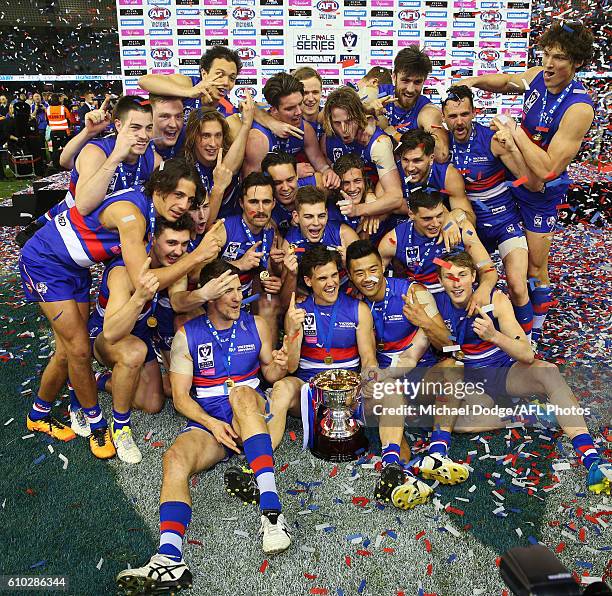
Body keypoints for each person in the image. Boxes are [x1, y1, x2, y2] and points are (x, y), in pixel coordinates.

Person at [19, 158, 222, 458]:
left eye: (189, 199)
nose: (183, 203)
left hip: (73, 267)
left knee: (69, 353)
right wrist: (194, 258)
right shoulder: (135, 218)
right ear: (162, 187)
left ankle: (39, 414)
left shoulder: (151, 219)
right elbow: (143, 283)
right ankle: (101, 425)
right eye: (179, 194)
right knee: (79, 350)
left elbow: (173, 282)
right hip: (47, 264)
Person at [116, 259, 292, 594]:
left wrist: (281, 363)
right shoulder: (187, 335)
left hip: (250, 408)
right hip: (209, 416)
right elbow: (181, 398)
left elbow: (270, 375)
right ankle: (169, 558)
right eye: (227, 290)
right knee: (174, 459)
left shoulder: (257, 324)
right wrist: (211, 423)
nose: (237, 297)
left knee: (241, 393)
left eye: (239, 288)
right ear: (210, 295)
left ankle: (272, 513)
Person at [426, 251, 611, 496]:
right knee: (454, 420)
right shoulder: (435, 304)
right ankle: (529, 415)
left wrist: (494, 335)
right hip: (469, 383)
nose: (456, 282)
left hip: (503, 372)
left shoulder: (496, 299)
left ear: (473, 277)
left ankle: (591, 458)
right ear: (441, 281)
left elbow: (526, 354)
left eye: (462, 275)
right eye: (449, 277)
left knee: (548, 371)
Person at [461, 21, 595, 342]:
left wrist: (514, 129)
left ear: (576, 63)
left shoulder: (578, 108)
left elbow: (548, 168)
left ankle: (533, 335)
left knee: (535, 267)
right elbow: (507, 82)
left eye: (559, 58)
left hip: (541, 193)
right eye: (547, 54)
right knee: (482, 250)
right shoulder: (537, 76)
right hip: (513, 178)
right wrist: (474, 80)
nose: (549, 63)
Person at [346, 240, 453, 507]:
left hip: (419, 376)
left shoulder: (412, 292)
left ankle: (437, 453)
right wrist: (371, 379)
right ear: (349, 275)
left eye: (373, 269)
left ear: (382, 266)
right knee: (390, 408)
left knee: (453, 368)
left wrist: (425, 321)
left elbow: (449, 344)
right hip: (387, 382)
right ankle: (400, 475)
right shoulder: (353, 303)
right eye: (359, 273)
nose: (368, 278)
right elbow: (367, 358)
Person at [83, 216, 194, 463]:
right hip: (105, 337)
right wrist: (139, 297)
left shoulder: (170, 266)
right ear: (153, 240)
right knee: (133, 351)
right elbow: (112, 332)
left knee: (153, 402)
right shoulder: (123, 271)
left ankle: (101, 381)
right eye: (172, 243)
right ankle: (121, 427)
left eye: (185, 244)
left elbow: (179, 299)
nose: (178, 251)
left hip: (139, 336)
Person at [441, 85, 538, 335]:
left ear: (474, 112)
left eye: (464, 114)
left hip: (504, 221)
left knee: (517, 285)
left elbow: (527, 180)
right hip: (471, 226)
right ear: (444, 118)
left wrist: (513, 148)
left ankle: (526, 340)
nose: (459, 121)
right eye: (453, 116)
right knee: (461, 282)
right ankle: (468, 337)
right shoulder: (441, 144)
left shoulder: (493, 139)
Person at [378, 190, 497, 311]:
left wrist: (484, 290)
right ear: (411, 214)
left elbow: (488, 269)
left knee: (499, 300)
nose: (435, 223)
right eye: (427, 218)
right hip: (424, 301)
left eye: (439, 215)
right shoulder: (394, 240)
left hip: (459, 294)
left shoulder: (462, 228)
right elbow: (375, 273)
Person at [242, 72, 340, 190]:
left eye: (299, 104)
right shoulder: (258, 138)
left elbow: (319, 161)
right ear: (273, 110)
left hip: (290, 184)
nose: (299, 112)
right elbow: (251, 185)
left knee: (322, 181)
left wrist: (328, 172)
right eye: (290, 108)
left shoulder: (305, 128)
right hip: (267, 189)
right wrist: (289, 172)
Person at [321, 86, 404, 218]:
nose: (344, 129)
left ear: (360, 117)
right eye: (337, 123)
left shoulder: (378, 144)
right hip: (344, 201)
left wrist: (359, 209)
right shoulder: (328, 138)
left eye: (349, 121)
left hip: (373, 202)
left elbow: (395, 197)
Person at [279, 186, 360, 306]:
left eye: (321, 216)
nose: (316, 223)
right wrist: (292, 278)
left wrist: (347, 265)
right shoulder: (290, 245)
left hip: (344, 295)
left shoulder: (344, 235)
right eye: (309, 217)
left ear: (327, 214)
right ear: (296, 217)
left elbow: (366, 276)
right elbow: (285, 302)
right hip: (310, 300)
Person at [367, 46, 449, 162]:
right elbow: (340, 109)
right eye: (405, 80)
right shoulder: (376, 92)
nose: (410, 89)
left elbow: (442, 154)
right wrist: (366, 110)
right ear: (394, 76)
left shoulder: (427, 111)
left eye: (417, 82)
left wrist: (395, 135)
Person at [182, 95, 254, 221]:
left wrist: (247, 123)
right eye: (206, 136)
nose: (213, 143)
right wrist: (219, 188)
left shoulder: (232, 156)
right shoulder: (183, 171)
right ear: (193, 137)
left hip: (236, 227)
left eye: (218, 135)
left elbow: (231, 166)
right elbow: (204, 222)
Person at [261, 150, 321, 236]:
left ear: (297, 175)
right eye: (277, 183)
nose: (285, 188)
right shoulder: (264, 208)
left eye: (290, 180)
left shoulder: (316, 184)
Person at [149, 94, 186, 160]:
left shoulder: (189, 138)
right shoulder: (138, 144)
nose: (173, 125)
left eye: (178, 117)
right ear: (149, 118)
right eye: (165, 116)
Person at [46, 93, 74, 170]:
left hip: (54, 132)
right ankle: (65, 166)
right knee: (65, 149)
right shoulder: (63, 109)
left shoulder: (48, 109)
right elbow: (69, 120)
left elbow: (48, 122)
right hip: (64, 132)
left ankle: (56, 165)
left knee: (55, 149)